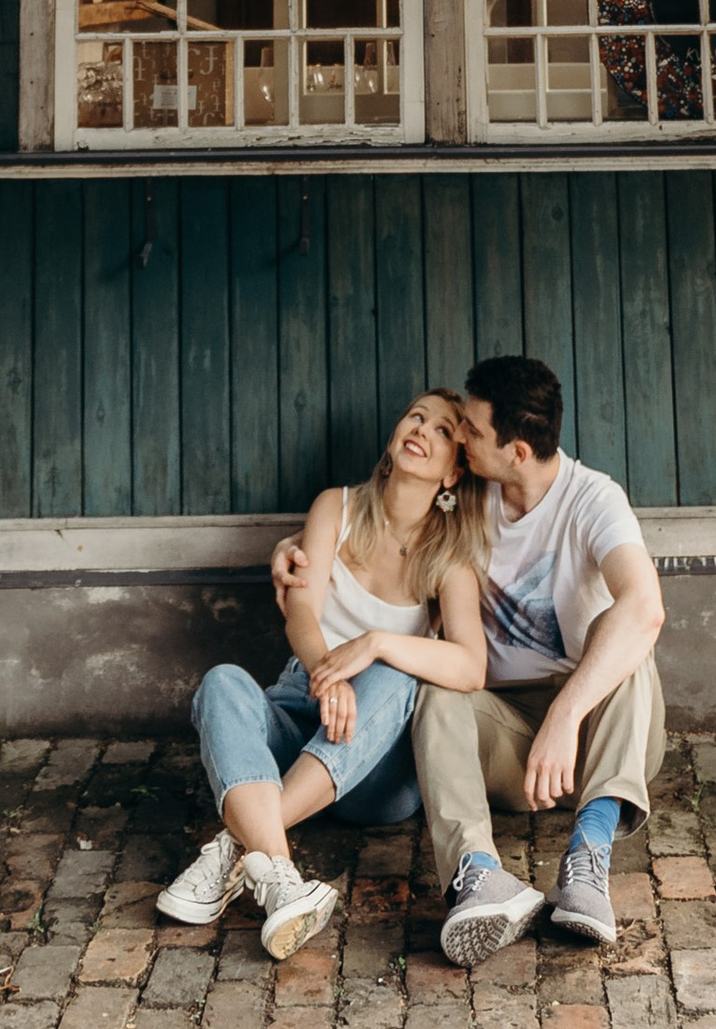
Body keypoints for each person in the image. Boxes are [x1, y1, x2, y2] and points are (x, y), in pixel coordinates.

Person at [273, 349, 666, 965]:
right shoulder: (467, 495)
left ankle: (588, 859)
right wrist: (291, 548)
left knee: (628, 639)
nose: (458, 439)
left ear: (517, 452)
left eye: (471, 433)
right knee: (433, 683)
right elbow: (376, 519)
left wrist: (565, 717)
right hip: (505, 741)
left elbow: (645, 606)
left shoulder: (594, 501)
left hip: (599, 739)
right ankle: (477, 874)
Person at [160, 390, 491, 960]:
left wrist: (376, 644)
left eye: (442, 431)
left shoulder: (450, 556)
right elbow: (302, 611)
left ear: (453, 471)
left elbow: (472, 666)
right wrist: (327, 673)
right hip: (302, 708)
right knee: (222, 683)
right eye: (415, 415)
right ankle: (279, 878)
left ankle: (236, 845)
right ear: (394, 434)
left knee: (399, 670)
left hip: (376, 766)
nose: (421, 430)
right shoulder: (334, 508)